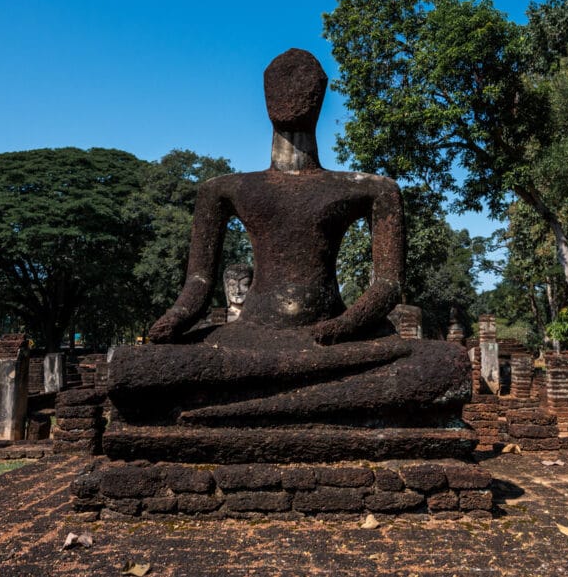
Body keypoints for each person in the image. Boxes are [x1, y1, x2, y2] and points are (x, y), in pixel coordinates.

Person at [109, 49, 470, 428]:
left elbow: (387, 286)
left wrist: (344, 326)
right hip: (247, 341)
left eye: (302, 83)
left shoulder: (370, 189)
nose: (291, 91)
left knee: (443, 364)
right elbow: (198, 286)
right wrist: (175, 318)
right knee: (131, 367)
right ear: (265, 95)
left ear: (321, 94)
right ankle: (309, 404)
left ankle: (229, 409)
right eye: (279, 83)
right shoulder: (224, 190)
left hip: (331, 342)